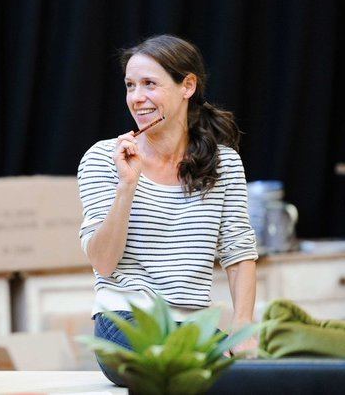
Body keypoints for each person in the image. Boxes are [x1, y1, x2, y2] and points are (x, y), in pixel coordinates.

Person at [77, 34, 258, 384]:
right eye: (130, 85)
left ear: (187, 86)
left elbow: (239, 251)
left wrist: (242, 329)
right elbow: (102, 261)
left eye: (149, 84)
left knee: (253, 378)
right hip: (127, 321)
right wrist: (126, 186)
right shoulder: (103, 158)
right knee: (177, 373)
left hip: (192, 327)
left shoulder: (225, 164)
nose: (137, 97)